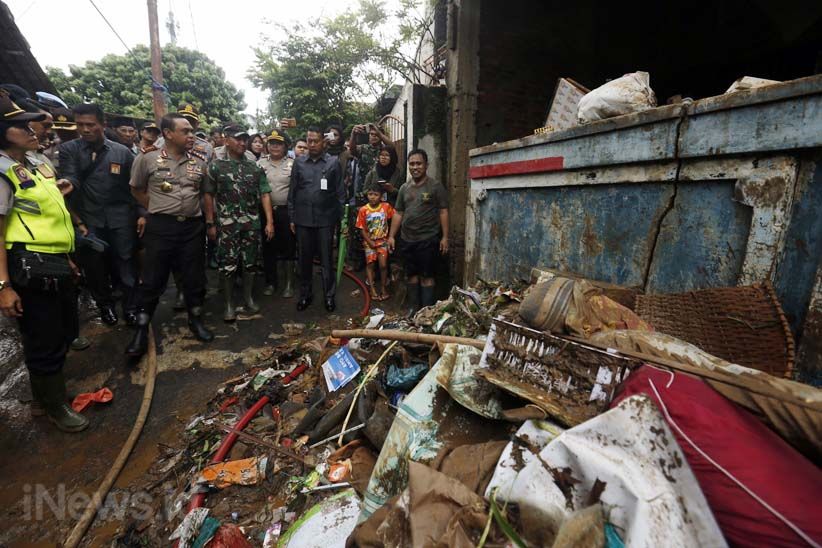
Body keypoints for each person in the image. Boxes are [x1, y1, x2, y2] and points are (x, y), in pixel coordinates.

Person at [0, 92, 88, 432]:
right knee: (43, 337)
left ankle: (47, 396)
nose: (31, 129)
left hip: (53, 259)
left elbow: (51, 218)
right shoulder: (3, 173)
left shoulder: (32, 165)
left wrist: (66, 258)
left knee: (63, 330)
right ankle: (53, 407)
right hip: (27, 265)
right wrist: (4, 286)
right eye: (21, 126)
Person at [125, 113, 214, 356]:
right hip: (161, 228)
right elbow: (136, 189)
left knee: (194, 278)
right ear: (168, 133)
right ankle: (141, 330)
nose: (191, 135)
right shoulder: (147, 159)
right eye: (185, 131)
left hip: (192, 228)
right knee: (152, 280)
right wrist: (157, 208)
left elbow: (204, 193)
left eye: (192, 131)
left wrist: (208, 222)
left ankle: (195, 320)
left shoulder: (199, 162)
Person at [58, 103, 138, 326]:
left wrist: (141, 213)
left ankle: (131, 307)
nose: (85, 129)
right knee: (95, 266)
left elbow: (134, 187)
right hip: (89, 219)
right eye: (80, 124)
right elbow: (71, 175)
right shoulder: (69, 150)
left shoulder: (122, 152)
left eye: (90, 124)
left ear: (103, 124)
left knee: (126, 262)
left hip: (121, 217)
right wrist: (68, 183)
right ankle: (105, 306)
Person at [205, 125, 274, 321]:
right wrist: (210, 223)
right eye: (238, 139)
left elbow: (265, 194)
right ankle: (228, 304)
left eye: (245, 139)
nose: (243, 143)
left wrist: (270, 222)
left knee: (250, 263)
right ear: (226, 140)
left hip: (251, 225)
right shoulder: (216, 166)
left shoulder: (254, 167)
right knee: (227, 265)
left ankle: (248, 297)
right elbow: (208, 194)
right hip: (227, 226)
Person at [288, 126, 344, 312]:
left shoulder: (333, 162)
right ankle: (305, 295)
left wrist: (341, 220)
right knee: (304, 260)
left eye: (315, 141)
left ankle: (329, 296)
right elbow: (292, 192)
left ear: (323, 142)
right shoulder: (299, 163)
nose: (311, 144)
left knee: (326, 260)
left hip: (325, 220)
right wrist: (292, 217)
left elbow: (340, 192)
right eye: (309, 141)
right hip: (303, 219)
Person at [387, 149, 449, 316]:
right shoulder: (404, 188)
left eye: (419, 163)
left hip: (428, 239)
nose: (415, 167)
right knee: (411, 275)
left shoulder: (435, 187)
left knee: (427, 276)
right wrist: (391, 236)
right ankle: (414, 309)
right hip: (407, 240)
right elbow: (398, 213)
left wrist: (445, 237)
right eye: (412, 164)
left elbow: (443, 211)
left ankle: (426, 312)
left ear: (426, 165)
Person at [258, 129, 296, 298]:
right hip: (265, 212)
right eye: (272, 143)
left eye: (279, 144)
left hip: (285, 212)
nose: (274, 146)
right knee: (268, 247)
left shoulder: (293, 164)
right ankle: (271, 282)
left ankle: (288, 283)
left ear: (285, 146)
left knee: (289, 247)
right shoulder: (260, 164)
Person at [356, 182, 395, 301]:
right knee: (370, 265)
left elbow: (394, 219)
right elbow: (361, 229)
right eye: (370, 194)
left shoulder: (386, 207)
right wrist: (369, 241)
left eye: (376, 194)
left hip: (382, 241)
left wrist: (391, 236)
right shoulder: (363, 210)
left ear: (381, 196)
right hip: (369, 242)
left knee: (383, 265)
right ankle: (372, 289)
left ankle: (383, 288)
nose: (372, 197)